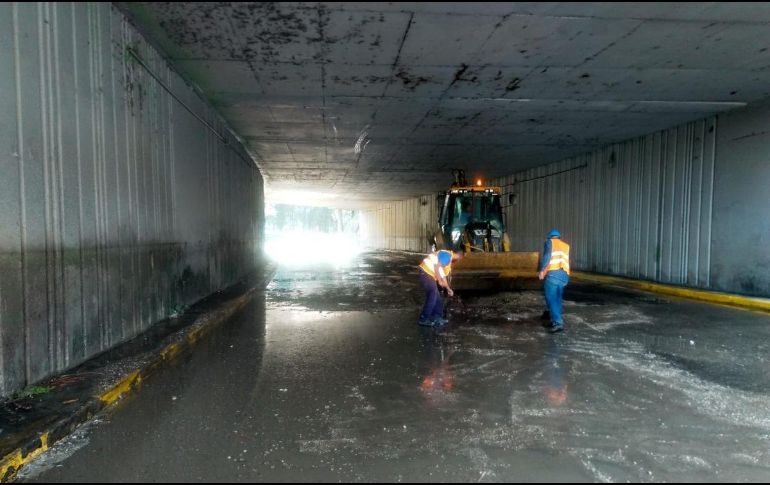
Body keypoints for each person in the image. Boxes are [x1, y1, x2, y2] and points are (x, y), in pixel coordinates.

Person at [418, 249, 460, 326]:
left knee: (437, 298)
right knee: (433, 295)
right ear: (455, 254)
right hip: (426, 273)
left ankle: (436, 317)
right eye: (459, 256)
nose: (459, 258)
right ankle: (423, 319)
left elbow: (443, 275)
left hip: (428, 274)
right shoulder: (447, 256)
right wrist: (439, 280)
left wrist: (448, 289)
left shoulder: (447, 260)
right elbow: (436, 267)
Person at [538, 229, 570, 333]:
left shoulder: (549, 242)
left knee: (551, 299)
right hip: (564, 276)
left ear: (550, 237)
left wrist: (542, 271)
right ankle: (554, 319)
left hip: (553, 275)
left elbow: (547, 257)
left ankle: (557, 323)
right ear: (559, 237)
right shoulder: (566, 245)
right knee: (557, 299)